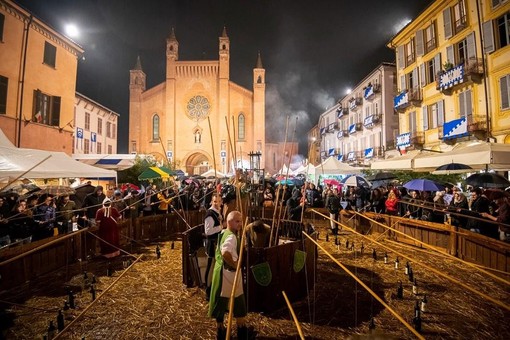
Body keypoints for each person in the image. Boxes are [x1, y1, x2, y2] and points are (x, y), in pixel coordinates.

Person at [208, 211, 250, 340]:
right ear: (230, 222)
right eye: (237, 221)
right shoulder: (231, 236)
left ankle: (220, 330)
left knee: (220, 302)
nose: (240, 224)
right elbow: (225, 252)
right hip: (229, 274)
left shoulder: (223, 233)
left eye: (241, 221)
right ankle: (241, 330)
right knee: (238, 300)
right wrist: (235, 264)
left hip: (220, 271)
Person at [204, 193, 224, 299]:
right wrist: (221, 226)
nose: (217, 203)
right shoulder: (210, 214)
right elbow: (208, 231)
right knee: (211, 267)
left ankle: (215, 288)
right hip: (212, 244)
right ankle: (208, 290)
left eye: (219, 201)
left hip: (218, 243)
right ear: (212, 201)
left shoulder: (218, 212)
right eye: (215, 201)